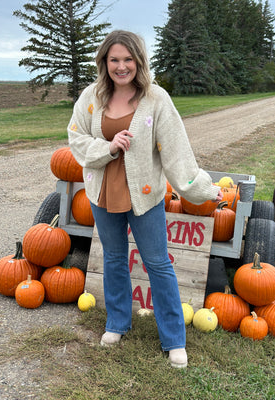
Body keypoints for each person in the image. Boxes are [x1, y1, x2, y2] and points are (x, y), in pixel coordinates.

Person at [68, 30, 223, 368]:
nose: (121, 67)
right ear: (104, 62)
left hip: (145, 195)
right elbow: (75, 139)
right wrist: (107, 148)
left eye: (128, 59)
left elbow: (177, 154)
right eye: (114, 60)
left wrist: (204, 190)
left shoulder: (156, 99)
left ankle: (173, 338)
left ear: (139, 61)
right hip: (102, 193)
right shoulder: (91, 96)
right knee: (113, 258)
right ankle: (117, 323)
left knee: (157, 263)